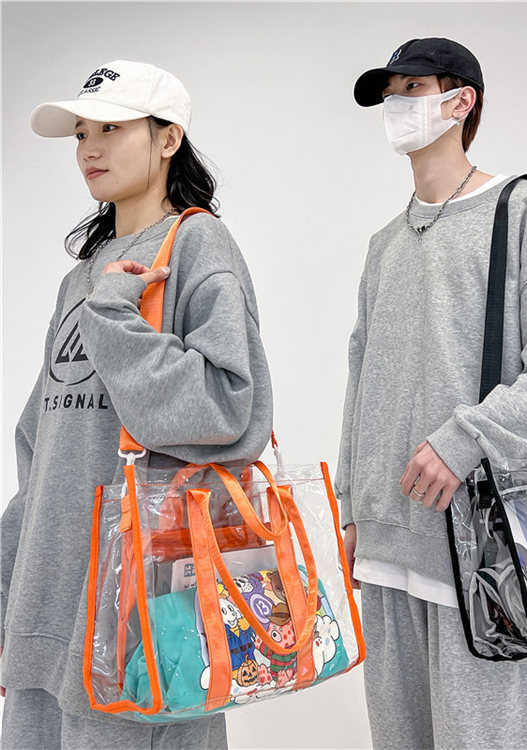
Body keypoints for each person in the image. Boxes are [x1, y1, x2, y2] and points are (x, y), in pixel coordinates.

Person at [335, 38, 527, 749]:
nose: (396, 105)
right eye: (389, 93)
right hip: (386, 548)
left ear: (462, 102)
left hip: (483, 548)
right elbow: (362, 380)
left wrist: (464, 439)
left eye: (412, 89)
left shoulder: (520, 210)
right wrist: (351, 506)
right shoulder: (384, 245)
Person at [0, 60, 272, 749]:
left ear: (168, 138)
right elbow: (40, 448)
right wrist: (7, 591)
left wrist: (117, 319)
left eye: (111, 129)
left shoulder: (198, 243)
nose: (88, 149)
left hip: (142, 614)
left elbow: (227, 412)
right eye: (81, 133)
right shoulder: (81, 278)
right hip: (48, 605)